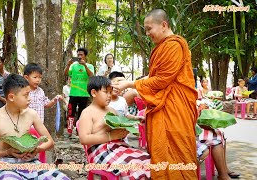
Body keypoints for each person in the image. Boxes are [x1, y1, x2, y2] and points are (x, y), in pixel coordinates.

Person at [112, 9, 198, 179]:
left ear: (164, 25)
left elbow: (162, 80)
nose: (147, 33)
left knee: (179, 152)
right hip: (165, 107)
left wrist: (130, 83)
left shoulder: (174, 45)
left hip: (175, 108)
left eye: (149, 28)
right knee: (162, 152)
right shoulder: (162, 47)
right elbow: (156, 79)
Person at [0, 74, 70, 179]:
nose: (29, 99)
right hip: (7, 166)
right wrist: (6, 152)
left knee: (62, 178)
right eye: (26, 95)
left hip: (32, 163)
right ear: (11, 97)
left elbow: (50, 142)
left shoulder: (31, 114)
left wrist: (36, 150)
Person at [78, 76, 151, 179]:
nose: (109, 95)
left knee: (145, 160)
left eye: (110, 92)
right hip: (99, 151)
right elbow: (84, 139)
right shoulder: (87, 112)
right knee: (129, 167)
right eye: (105, 92)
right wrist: (110, 136)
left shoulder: (111, 110)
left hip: (119, 146)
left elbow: (121, 122)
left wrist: (129, 126)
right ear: (94, 93)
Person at [64, 47, 94, 136]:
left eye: (81, 54)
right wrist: (68, 65)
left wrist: (84, 65)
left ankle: (79, 130)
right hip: (73, 93)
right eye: (78, 54)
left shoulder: (90, 66)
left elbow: (91, 76)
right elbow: (66, 74)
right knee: (70, 113)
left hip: (84, 94)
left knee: (82, 113)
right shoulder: (73, 65)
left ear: (85, 56)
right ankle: (69, 131)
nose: (79, 56)